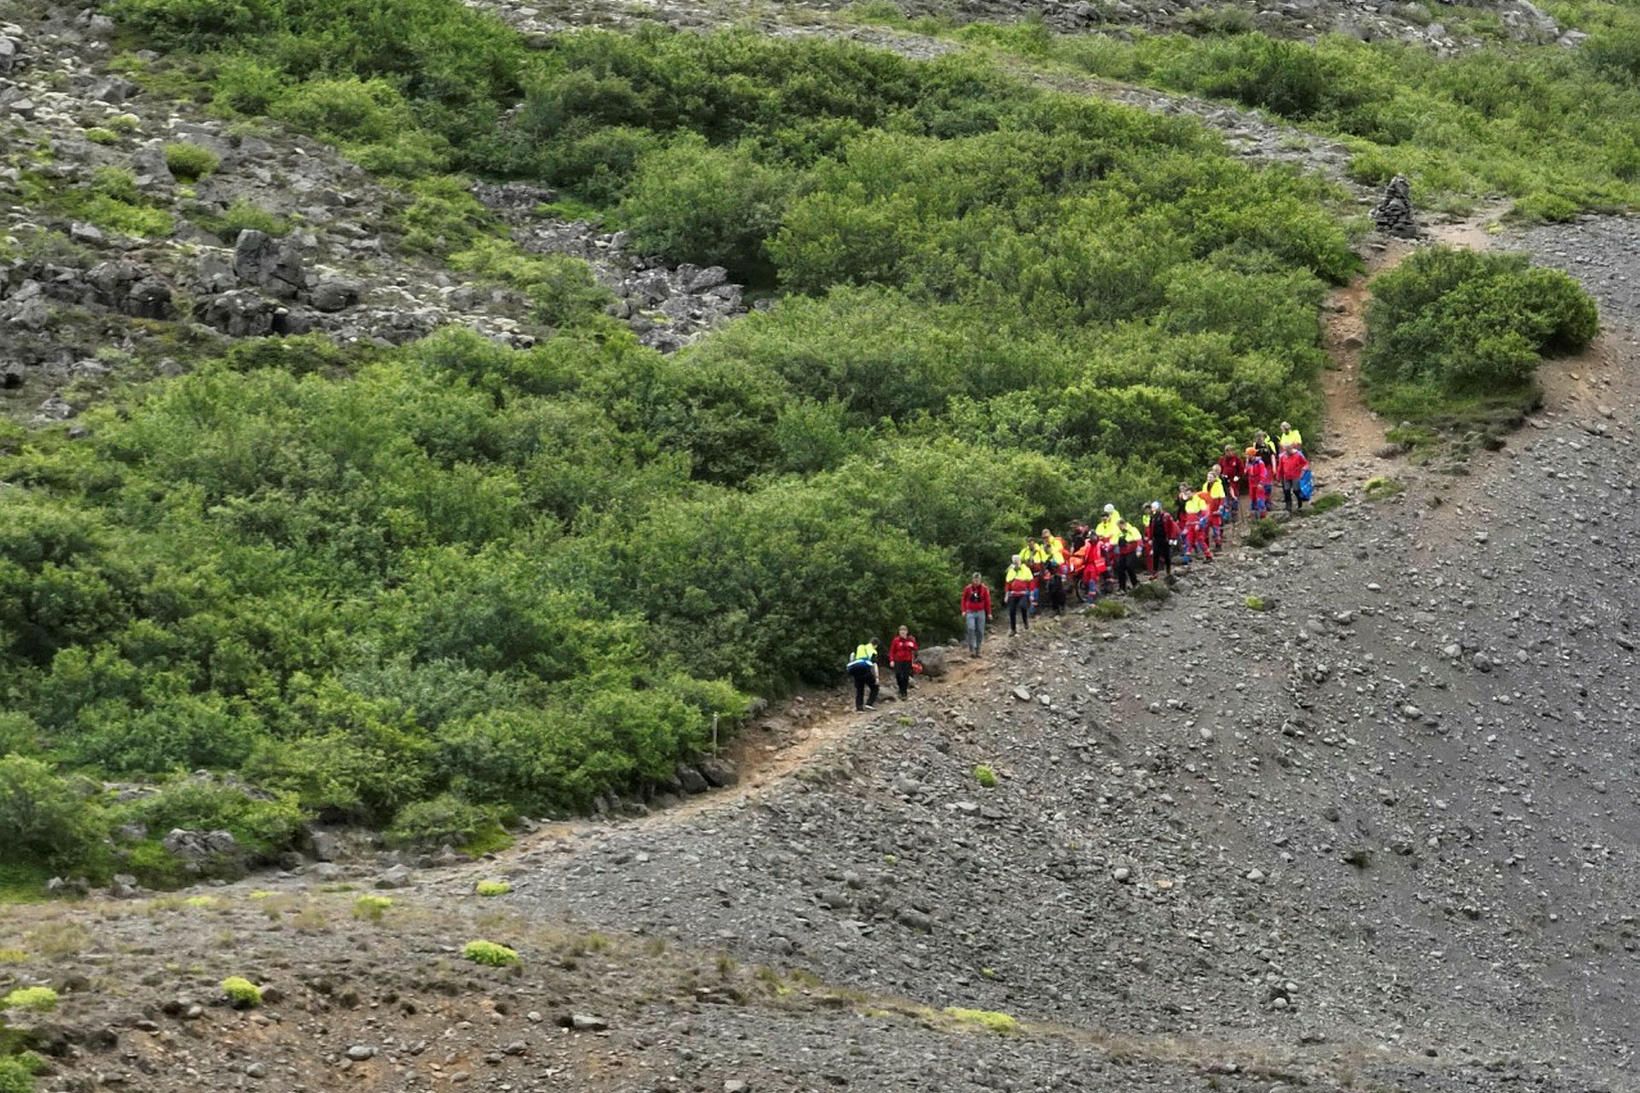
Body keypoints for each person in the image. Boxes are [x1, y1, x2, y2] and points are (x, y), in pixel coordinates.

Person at [960, 572, 992, 656]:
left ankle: (978, 649)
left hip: (980, 612)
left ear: (980, 580)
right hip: (970, 611)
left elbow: (988, 601)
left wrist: (989, 613)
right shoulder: (968, 588)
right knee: (971, 629)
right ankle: (972, 649)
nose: (976, 581)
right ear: (972, 579)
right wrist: (963, 610)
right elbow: (963, 599)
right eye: (975, 579)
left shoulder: (984, 589)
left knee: (980, 631)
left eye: (978, 579)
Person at [1147, 500, 1177, 580]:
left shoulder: (1166, 516)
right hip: (1156, 539)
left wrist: (1172, 538)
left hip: (1165, 538)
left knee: (1166, 555)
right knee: (1155, 555)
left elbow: (1172, 527)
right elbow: (1150, 528)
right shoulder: (1152, 517)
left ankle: (1168, 571)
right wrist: (1150, 538)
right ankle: (1155, 572)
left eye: (1154, 508)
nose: (1152, 509)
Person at [1004, 554, 1034, 635]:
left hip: (1023, 593)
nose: (1016, 563)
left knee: (1023, 606)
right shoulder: (1011, 571)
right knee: (1011, 611)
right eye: (1014, 562)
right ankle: (1013, 629)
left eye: (1017, 561)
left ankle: (1025, 622)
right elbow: (1007, 583)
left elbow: (1031, 582)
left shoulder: (1026, 570)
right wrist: (1006, 595)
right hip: (1013, 594)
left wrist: (1031, 594)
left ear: (1019, 561)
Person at [887, 625, 919, 700]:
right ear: (899, 632)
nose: (902, 632)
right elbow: (892, 651)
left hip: (907, 660)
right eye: (901, 631)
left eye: (904, 631)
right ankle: (900, 689)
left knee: (906, 676)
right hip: (898, 660)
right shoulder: (896, 640)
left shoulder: (910, 640)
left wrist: (912, 643)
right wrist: (891, 660)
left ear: (906, 632)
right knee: (898, 675)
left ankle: (904, 693)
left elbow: (915, 648)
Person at [847, 639, 879, 711]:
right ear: (875, 645)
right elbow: (874, 665)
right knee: (875, 687)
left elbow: (852, 657)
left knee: (860, 689)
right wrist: (876, 677)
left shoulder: (860, 647)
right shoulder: (873, 651)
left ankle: (859, 708)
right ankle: (869, 703)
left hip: (855, 669)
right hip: (864, 669)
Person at [1217, 445, 1246, 524]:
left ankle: (1234, 514)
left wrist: (1238, 476)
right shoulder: (1222, 460)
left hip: (1234, 481)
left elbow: (1241, 470)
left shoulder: (1237, 460)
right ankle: (1226, 516)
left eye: (1230, 451)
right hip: (1224, 481)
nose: (1229, 453)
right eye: (1227, 451)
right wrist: (1221, 475)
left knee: (1234, 497)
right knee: (1225, 498)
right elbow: (1219, 469)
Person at [1278, 443, 1310, 513]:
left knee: (1296, 490)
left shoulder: (1298, 455)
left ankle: (1300, 503)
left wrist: (1303, 470)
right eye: (1285, 450)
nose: (1287, 452)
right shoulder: (1283, 457)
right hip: (1286, 476)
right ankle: (1288, 506)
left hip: (1296, 475)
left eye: (1288, 450)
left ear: (1291, 449)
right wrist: (1279, 476)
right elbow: (1280, 468)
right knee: (1286, 491)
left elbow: (1305, 463)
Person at [1115, 518, 1143, 591]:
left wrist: (1139, 550)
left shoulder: (1132, 529)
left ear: (1123, 524)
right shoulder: (1119, 532)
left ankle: (1135, 583)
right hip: (1122, 552)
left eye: (1119, 526)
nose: (1119, 528)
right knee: (1120, 569)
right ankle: (1122, 587)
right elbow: (1115, 542)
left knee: (1129, 566)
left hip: (1131, 551)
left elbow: (1139, 540)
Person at [1245, 446, 1272, 519]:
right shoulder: (1248, 463)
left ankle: (1262, 515)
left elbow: (1263, 473)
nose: (1246, 456)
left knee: (1260, 498)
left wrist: (1261, 482)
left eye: (1247, 454)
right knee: (1253, 498)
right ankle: (1254, 514)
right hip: (1251, 482)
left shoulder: (1260, 462)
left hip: (1258, 482)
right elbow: (1246, 472)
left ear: (1252, 455)